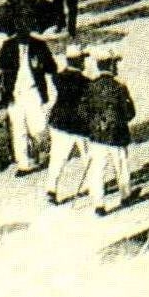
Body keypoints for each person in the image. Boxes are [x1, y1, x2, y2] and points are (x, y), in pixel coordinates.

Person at [82, 50, 136, 216]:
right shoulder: (119, 87)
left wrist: (93, 125)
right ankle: (125, 196)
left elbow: (83, 111)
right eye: (115, 64)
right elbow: (130, 113)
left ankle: (99, 204)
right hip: (117, 136)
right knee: (121, 167)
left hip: (97, 137)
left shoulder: (90, 87)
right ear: (111, 65)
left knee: (97, 171)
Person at [0, 23, 56, 176]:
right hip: (15, 94)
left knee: (39, 128)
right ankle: (24, 163)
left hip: (33, 92)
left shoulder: (39, 45)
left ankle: (43, 154)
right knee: (19, 130)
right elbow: (3, 69)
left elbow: (52, 67)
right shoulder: (8, 47)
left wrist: (42, 64)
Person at [45, 44, 92, 204]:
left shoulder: (58, 78)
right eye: (82, 60)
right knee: (88, 156)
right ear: (78, 61)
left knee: (57, 157)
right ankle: (94, 186)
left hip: (58, 122)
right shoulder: (86, 82)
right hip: (79, 125)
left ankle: (51, 190)